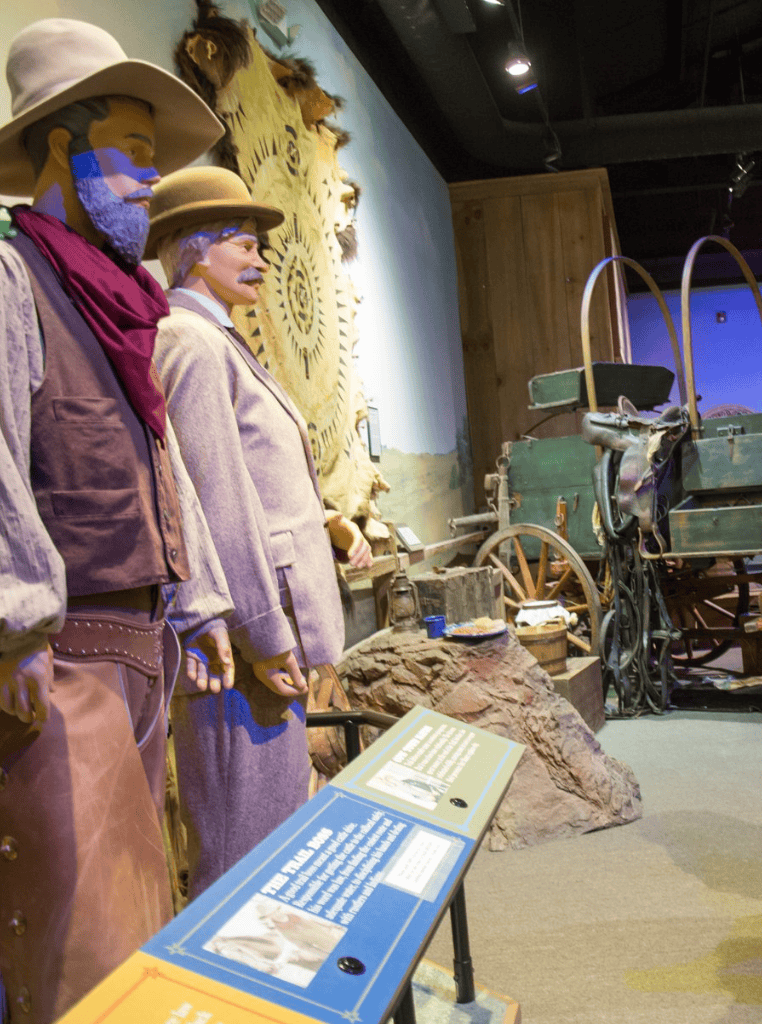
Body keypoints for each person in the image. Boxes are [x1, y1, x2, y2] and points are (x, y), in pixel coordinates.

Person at [0, 20, 237, 1024]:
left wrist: (199, 602)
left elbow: (159, 456)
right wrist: (14, 619)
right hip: (65, 656)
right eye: (133, 155)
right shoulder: (15, 278)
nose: (151, 179)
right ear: (62, 145)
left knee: (141, 910)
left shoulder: (124, 303)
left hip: (137, 642)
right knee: (84, 943)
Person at [146, 166, 373, 900]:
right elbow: (216, 499)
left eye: (260, 246)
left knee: (273, 827)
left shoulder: (221, 341)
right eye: (241, 243)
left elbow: (265, 481)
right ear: (190, 248)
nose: (260, 258)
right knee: (243, 843)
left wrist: (330, 522)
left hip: (262, 637)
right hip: (244, 642)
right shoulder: (190, 340)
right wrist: (258, 627)